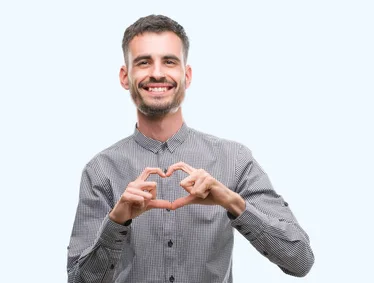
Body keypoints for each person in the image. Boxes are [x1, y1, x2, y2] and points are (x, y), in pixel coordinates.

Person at [67, 14, 314, 283]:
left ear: (187, 75)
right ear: (125, 77)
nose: (157, 73)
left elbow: (299, 259)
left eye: (169, 61)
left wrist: (231, 202)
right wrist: (117, 221)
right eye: (144, 62)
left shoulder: (234, 160)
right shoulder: (101, 171)